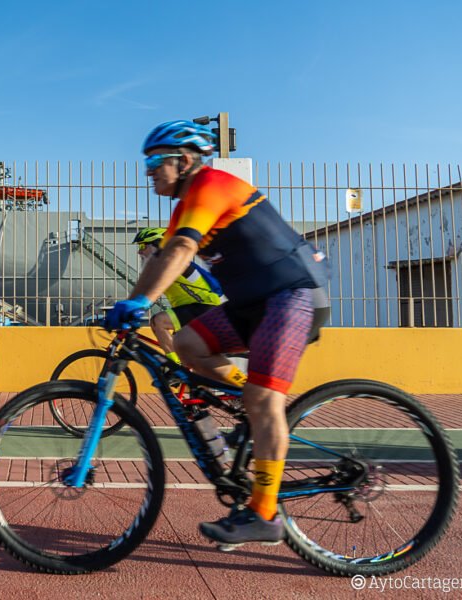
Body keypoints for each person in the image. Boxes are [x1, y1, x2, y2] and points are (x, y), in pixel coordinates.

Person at [105, 120, 330, 548]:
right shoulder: (184, 205)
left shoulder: (212, 185)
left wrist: (138, 304)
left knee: (264, 401)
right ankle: (250, 407)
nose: (148, 171)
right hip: (252, 303)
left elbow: (182, 249)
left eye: (155, 161)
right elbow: (162, 260)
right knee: (187, 344)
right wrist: (132, 302)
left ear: (184, 160)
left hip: (293, 294)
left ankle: (264, 515)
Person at [131, 227, 226, 371]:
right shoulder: (160, 265)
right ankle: (197, 386)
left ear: (158, 244)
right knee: (188, 357)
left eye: (143, 246)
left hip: (203, 306)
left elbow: (151, 290)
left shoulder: (175, 263)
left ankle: (175, 366)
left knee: (159, 322)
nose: (139, 251)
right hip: (190, 309)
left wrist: (135, 307)